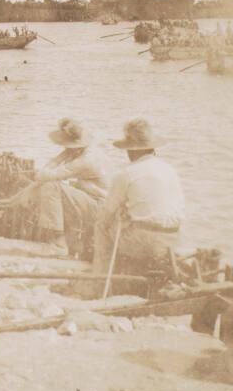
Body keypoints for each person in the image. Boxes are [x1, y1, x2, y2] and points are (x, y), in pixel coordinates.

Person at [86, 118, 184, 296]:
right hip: (172, 239)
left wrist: (119, 216)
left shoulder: (126, 174)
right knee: (130, 222)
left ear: (130, 150)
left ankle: (100, 284)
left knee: (101, 226)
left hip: (145, 242)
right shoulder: (170, 170)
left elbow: (106, 213)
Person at [13, 119, 109, 257]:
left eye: (66, 145)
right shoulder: (82, 152)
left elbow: (45, 176)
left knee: (51, 187)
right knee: (53, 185)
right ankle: (66, 242)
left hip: (100, 207)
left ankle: (59, 244)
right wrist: (31, 187)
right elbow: (49, 169)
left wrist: (33, 185)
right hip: (95, 201)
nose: (64, 148)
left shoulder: (85, 160)